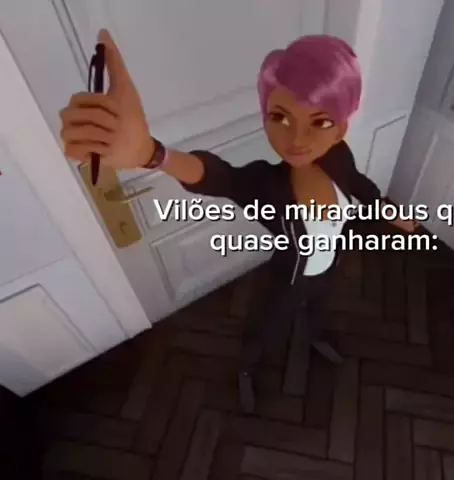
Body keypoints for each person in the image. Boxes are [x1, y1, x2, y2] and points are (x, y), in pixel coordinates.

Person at [59, 29, 418, 413]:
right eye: (280, 117)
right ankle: (247, 369)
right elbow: (221, 178)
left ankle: (315, 336)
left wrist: (389, 211)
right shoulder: (267, 185)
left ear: (341, 128)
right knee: (267, 327)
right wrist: (152, 154)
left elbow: (359, 185)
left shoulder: (338, 156)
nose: (297, 138)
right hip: (288, 278)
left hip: (329, 267)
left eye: (320, 121)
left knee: (318, 306)